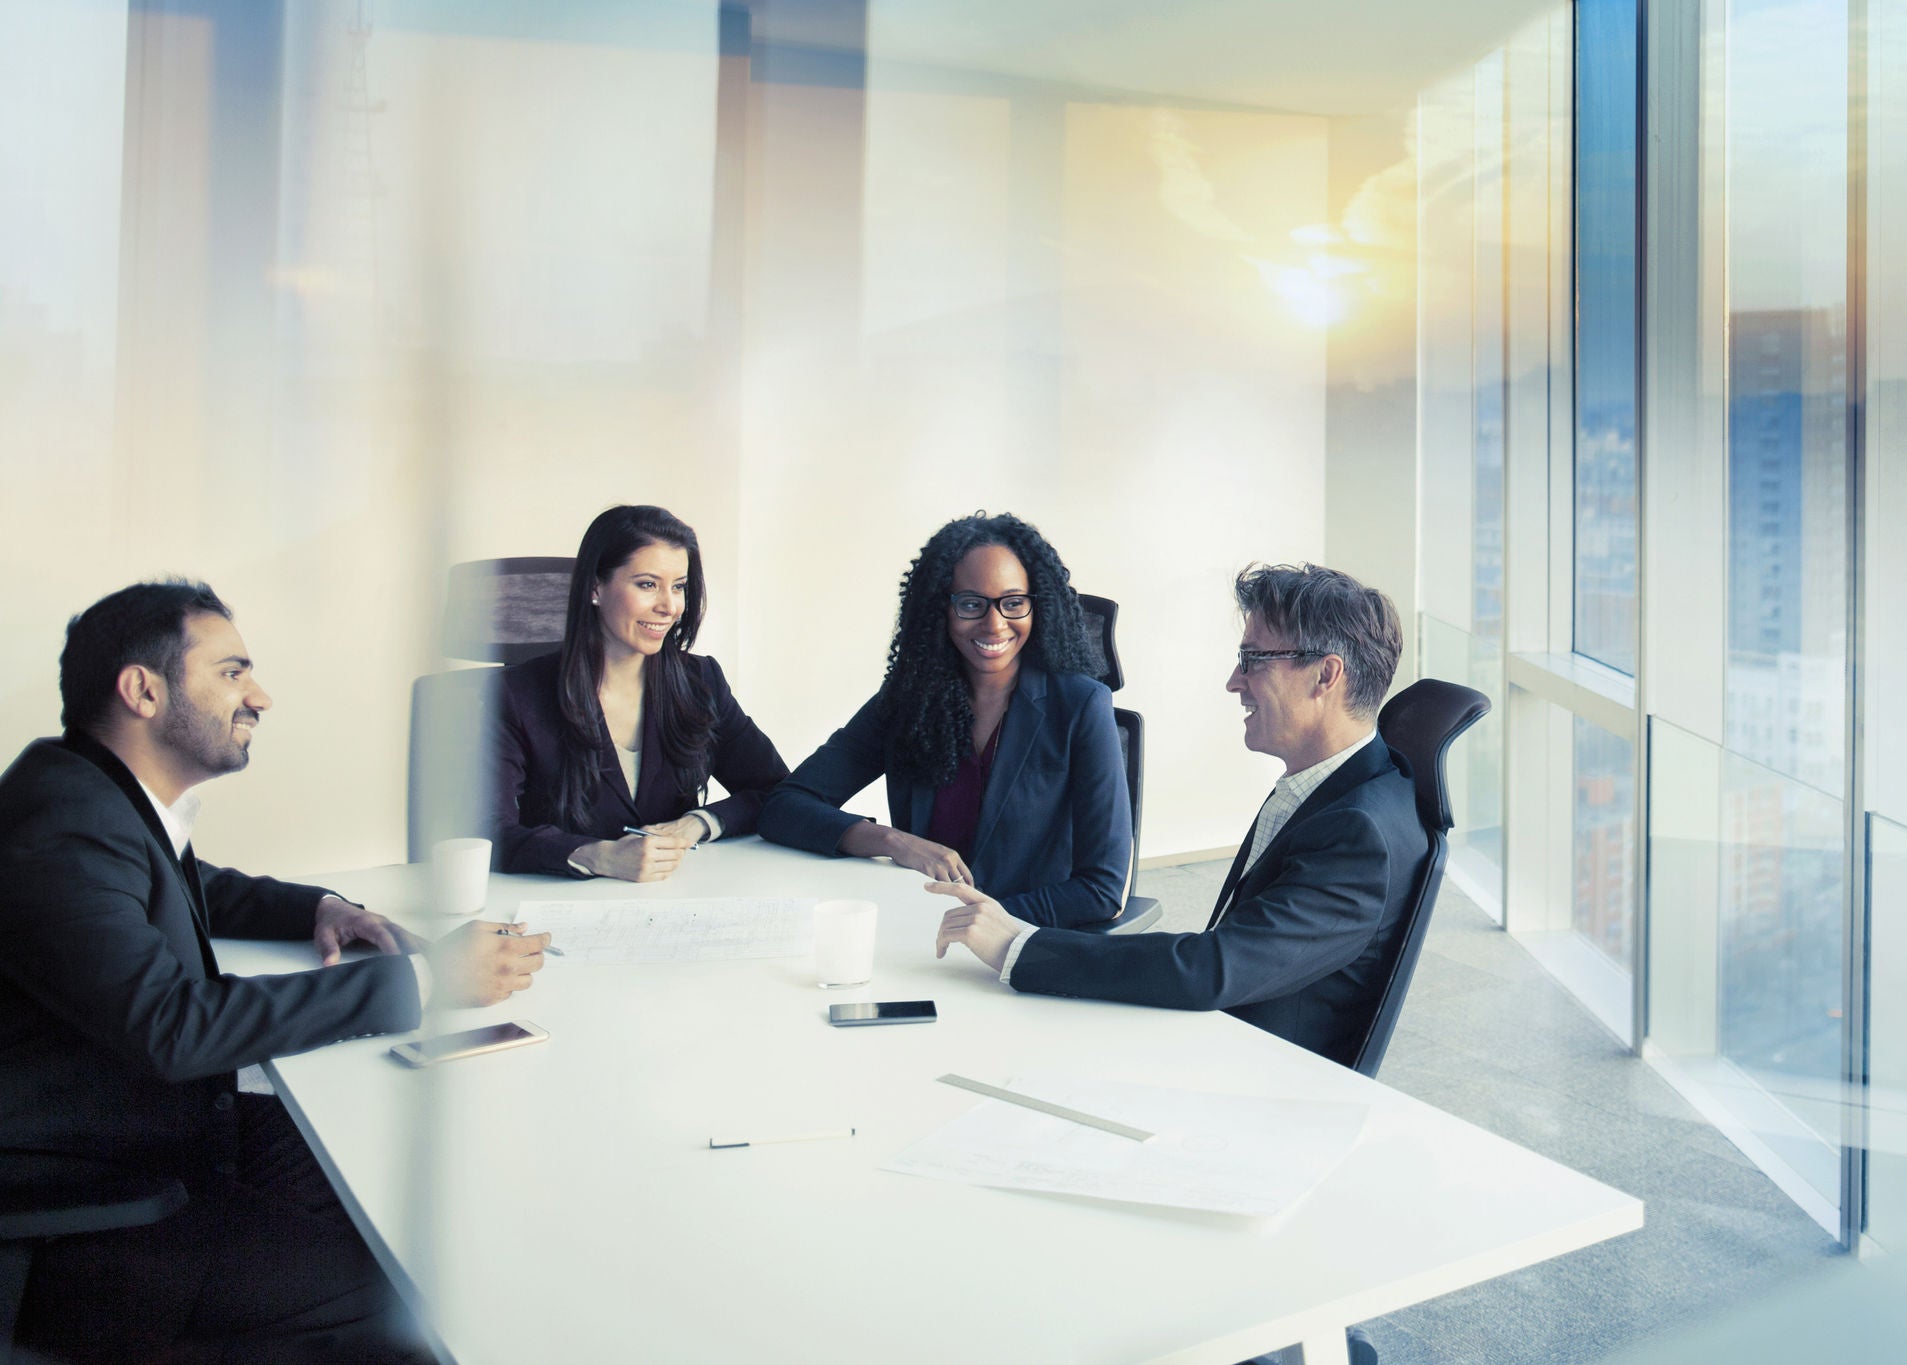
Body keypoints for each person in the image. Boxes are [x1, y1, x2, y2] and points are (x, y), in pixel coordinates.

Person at [0, 580, 547, 1363]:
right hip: (90, 1208)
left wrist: (317, 907)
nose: (260, 695)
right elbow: (175, 1026)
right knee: (410, 1290)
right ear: (142, 690)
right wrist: (430, 983)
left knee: (385, 1189)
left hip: (145, 1137)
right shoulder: (63, 827)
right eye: (231, 671)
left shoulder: (90, 795)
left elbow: (194, 884)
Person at [929, 563, 1429, 1064]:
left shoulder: (1359, 832)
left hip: (1256, 1082)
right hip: (1220, 1041)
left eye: (1253, 659)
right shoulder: (1338, 784)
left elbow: (1214, 968)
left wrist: (1019, 947)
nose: (1235, 681)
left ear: (1326, 674)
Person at [760, 512, 1132, 929]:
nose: (995, 624)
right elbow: (785, 806)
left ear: (1037, 606)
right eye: (971, 604)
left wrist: (974, 920)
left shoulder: (1080, 705)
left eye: (1013, 603)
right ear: (941, 610)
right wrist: (892, 842)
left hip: (1024, 942)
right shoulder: (909, 701)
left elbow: (1102, 889)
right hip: (918, 932)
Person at [491, 505, 789, 880]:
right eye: (647, 584)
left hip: (676, 899)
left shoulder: (701, 680)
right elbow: (487, 832)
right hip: (563, 905)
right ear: (595, 588)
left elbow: (777, 790)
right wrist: (595, 855)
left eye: (678, 586)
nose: (669, 606)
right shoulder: (517, 694)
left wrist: (698, 823)